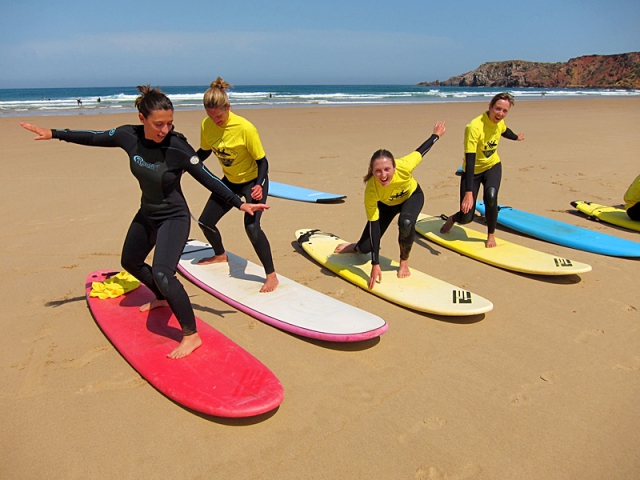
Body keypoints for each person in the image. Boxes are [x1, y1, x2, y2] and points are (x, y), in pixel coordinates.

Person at [20, 85, 268, 359]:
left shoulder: (178, 147)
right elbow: (94, 137)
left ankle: (191, 334)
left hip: (173, 217)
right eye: (159, 124)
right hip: (148, 212)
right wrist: (55, 134)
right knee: (130, 262)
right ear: (142, 118)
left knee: (163, 272)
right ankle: (161, 297)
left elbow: (208, 178)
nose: (165, 130)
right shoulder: (128, 136)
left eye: (170, 123)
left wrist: (240, 202)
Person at [334, 121, 447, 290]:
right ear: (372, 171)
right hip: (386, 205)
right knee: (366, 248)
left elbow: (422, 150)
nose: (383, 175)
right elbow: (374, 226)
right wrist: (375, 263)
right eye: (378, 171)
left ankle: (403, 263)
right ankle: (356, 246)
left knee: (406, 223)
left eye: (387, 169)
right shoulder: (371, 191)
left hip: (412, 197)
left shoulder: (405, 166)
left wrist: (436, 135)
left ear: (394, 167)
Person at [195, 77, 279, 293]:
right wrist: (188, 163)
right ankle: (220, 254)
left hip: (253, 182)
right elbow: (204, 151)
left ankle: (271, 275)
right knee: (206, 222)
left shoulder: (245, 128)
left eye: (219, 116)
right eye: (211, 116)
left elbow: (263, 161)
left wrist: (259, 184)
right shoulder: (207, 125)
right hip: (230, 182)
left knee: (251, 227)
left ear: (228, 107)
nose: (216, 121)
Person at [440, 92, 524, 247]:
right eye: (497, 109)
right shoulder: (474, 127)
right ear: (490, 106)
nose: (500, 114)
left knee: (491, 197)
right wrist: (469, 192)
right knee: (467, 217)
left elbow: (505, 130)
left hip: (492, 165)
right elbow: (470, 160)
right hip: (473, 171)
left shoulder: (499, 122)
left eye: (505, 111)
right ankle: (453, 218)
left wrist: (516, 137)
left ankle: (491, 235)